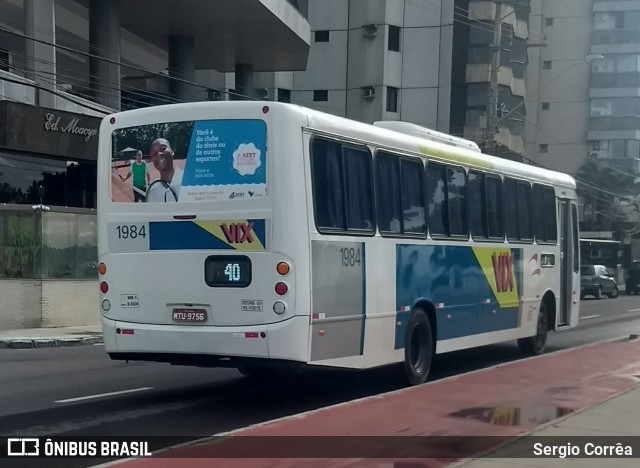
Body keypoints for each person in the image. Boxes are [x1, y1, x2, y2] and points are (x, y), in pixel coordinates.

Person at [146, 138, 184, 203]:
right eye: (154, 153)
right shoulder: (152, 192)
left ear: (172, 151)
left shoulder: (191, 183)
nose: (158, 154)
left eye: (163, 148)